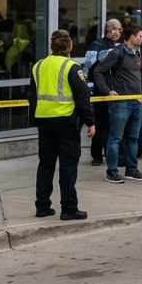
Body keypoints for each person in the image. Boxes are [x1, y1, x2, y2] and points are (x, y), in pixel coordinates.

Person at [28, 30, 94, 220]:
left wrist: (35, 119)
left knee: (45, 164)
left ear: (51, 46)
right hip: (66, 122)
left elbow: (32, 97)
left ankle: (42, 206)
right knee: (68, 165)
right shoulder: (71, 67)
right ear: (70, 46)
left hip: (45, 122)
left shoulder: (38, 66)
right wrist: (90, 122)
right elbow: (83, 98)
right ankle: (69, 208)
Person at [92, 23, 142, 184]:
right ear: (131, 36)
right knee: (115, 138)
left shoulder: (137, 53)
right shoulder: (118, 52)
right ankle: (112, 171)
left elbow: (141, 77)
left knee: (133, 138)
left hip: (137, 101)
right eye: (140, 36)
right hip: (121, 102)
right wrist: (107, 91)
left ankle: (132, 169)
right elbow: (98, 71)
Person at [83, 19, 122, 166]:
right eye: (114, 28)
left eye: (119, 29)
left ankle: (112, 154)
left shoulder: (120, 46)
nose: (117, 32)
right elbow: (90, 68)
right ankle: (97, 155)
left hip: (115, 90)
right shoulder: (96, 46)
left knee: (112, 125)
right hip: (99, 91)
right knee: (99, 124)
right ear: (107, 30)